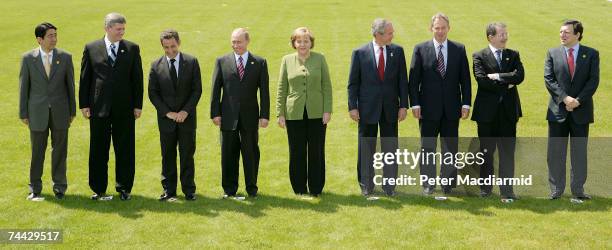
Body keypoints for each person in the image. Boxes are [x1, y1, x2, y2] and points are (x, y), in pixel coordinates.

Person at [79, 13, 143, 201]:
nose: (122, 32)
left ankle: (124, 188)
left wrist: (138, 105)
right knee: (98, 149)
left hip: (125, 108)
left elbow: (137, 79)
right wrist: (84, 104)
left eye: (123, 29)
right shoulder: (91, 48)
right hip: (99, 108)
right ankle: (98, 189)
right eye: (118, 29)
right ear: (107, 28)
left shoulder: (132, 48)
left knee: (125, 149)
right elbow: (85, 78)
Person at [408, 13, 471, 195]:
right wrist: (415, 104)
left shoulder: (459, 49)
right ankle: (428, 183)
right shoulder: (420, 49)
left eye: (443, 28)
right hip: (427, 109)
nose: (440, 31)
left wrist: (466, 103)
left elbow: (465, 80)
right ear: (431, 29)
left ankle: (448, 183)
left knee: (450, 147)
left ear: (448, 28)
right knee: (427, 146)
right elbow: (413, 81)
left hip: (452, 108)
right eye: (437, 28)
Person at [347, 18, 408, 197]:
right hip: (367, 109)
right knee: (367, 148)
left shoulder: (397, 51)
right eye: (389, 33)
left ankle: (390, 186)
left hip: (390, 108)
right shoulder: (359, 53)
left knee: (390, 148)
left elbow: (402, 82)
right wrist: (353, 107)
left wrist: (403, 105)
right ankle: (366, 184)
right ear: (378, 35)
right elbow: (353, 83)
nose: (393, 35)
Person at [210, 28, 269, 198]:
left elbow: (264, 92)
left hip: (250, 117)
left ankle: (252, 188)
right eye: (233, 41)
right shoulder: (222, 61)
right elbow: (215, 90)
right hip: (227, 117)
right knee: (228, 154)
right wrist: (215, 113)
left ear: (247, 41)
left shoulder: (259, 62)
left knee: (251, 153)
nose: (236, 45)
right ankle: (229, 190)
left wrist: (264, 115)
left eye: (239, 41)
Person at [19, 22, 75, 201]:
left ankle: (59, 187)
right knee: (37, 152)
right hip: (37, 113)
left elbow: (70, 87)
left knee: (60, 151)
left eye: (55, 35)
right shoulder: (28, 59)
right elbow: (24, 88)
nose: (54, 39)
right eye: (50, 36)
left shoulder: (65, 57)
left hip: (61, 112)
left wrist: (72, 111)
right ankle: (35, 187)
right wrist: (23, 113)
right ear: (39, 39)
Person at [545, 19, 599, 200]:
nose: (562, 35)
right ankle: (556, 189)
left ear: (577, 34)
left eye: (567, 32)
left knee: (579, 152)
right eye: (561, 32)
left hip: (581, 112)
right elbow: (549, 79)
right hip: (557, 111)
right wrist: (565, 98)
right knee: (555, 152)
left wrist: (578, 100)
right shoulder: (552, 53)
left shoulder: (591, 54)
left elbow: (593, 81)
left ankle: (578, 190)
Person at [276, 27, 332, 197]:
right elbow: (281, 88)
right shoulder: (287, 60)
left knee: (316, 150)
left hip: (317, 113)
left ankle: (316, 188)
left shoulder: (320, 59)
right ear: (294, 43)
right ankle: (299, 188)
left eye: (306, 41)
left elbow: (326, 86)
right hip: (294, 113)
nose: (302, 44)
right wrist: (280, 113)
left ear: (311, 43)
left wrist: (327, 110)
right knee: (297, 151)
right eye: (299, 41)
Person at [472, 22, 524, 201]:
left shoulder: (513, 55)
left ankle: (507, 190)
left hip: (508, 113)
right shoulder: (479, 56)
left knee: (507, 153)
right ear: (490, 37)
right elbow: (481, 80)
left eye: (506, 33)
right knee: (486, 152)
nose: (505, 37)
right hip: (486, 114)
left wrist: (497, 76)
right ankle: (485, 189)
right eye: (501, 34)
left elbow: (520, 76)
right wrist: (507, 83)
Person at [148, 29, 202, 201]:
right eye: (166, 47)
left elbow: (196, 90)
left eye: (173, 46)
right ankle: (169, 190)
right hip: (167, 120)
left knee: (187, 155)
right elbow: (153, 93)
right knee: (168, 155)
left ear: (178, 43)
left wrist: (185, 111)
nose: (170, 50)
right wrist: (168, 113)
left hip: (187, 119)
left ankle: (189, 190)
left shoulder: (192, 62)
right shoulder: (155, 65)